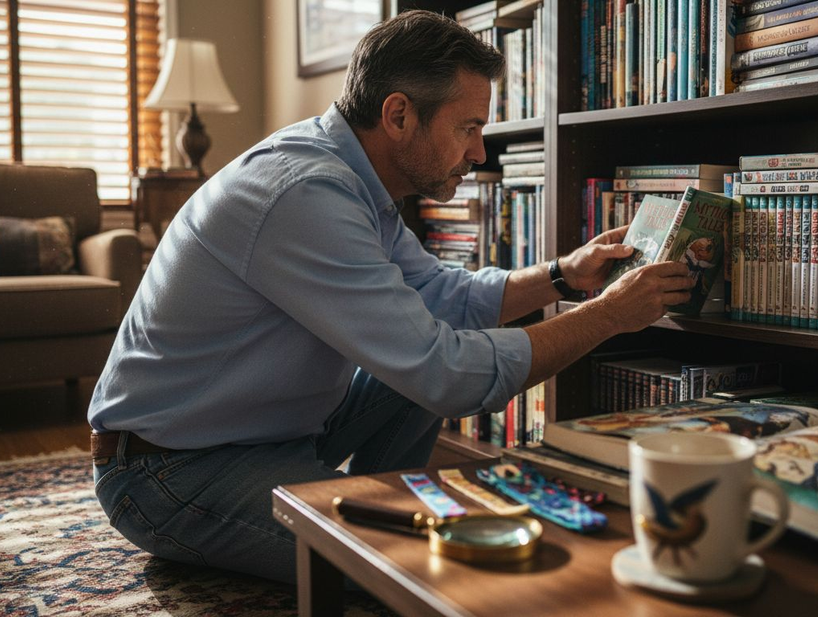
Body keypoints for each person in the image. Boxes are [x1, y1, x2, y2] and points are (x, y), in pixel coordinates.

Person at [88, 9, 693, 585]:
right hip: (168, 469)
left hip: (276, 430)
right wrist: (610, 315)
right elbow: (447, 377)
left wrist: (564, 276)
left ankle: (368, 498)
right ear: (399, 114)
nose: (479, 152)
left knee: (424, 362)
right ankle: (367, 516)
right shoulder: (305, 194)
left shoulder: (349, 179)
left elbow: (436, 292)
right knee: (438, 557)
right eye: (469, 128)